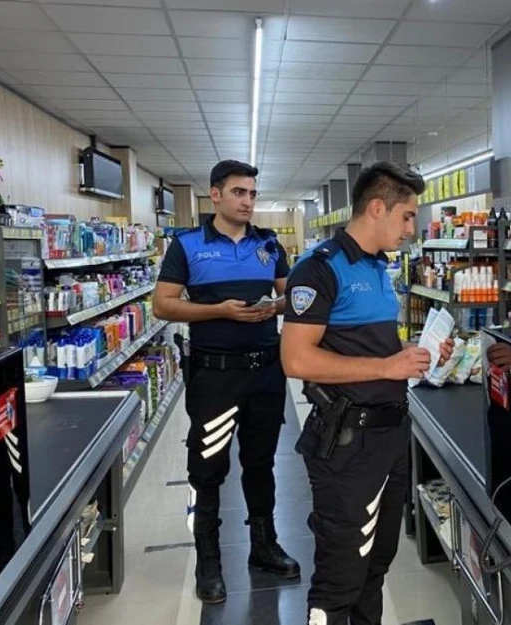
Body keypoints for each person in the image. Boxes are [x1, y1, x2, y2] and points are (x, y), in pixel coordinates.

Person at [281, 162, 453, 625]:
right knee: (341, 574)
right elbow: (296, 359)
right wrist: (386, 365)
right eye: (407, 216)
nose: (411, 228)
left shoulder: (380, 268)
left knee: (375, 564)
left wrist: (414, 353)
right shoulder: (320, 269)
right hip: (346, 445)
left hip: (388, 437)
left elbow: (371, 348)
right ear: (377, 208)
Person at [153, 160, 299, 605]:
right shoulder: (188, 245)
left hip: (266, 372)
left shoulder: (269, 245)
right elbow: (163, 305)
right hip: (215, 375)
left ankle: (264, 544)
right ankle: (209, 560)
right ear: (215, 195)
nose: (247, 201)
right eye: (239, 192)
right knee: (209, 467)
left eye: (253, 193)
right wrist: (220, 311)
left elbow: (293, 295)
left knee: (261, 462)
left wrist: (273, 308)